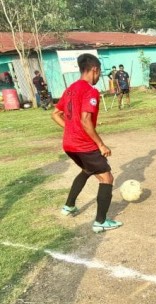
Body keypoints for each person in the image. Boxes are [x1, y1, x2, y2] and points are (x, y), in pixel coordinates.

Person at [51, 53, 122, 233]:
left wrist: (71, 129)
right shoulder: (90, 91)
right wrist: (101, 144)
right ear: (94, 70)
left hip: (68, 144)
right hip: (83, 144)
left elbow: (55, 114)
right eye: (99, 73)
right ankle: (101, 221)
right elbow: (85, 120)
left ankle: (69, 206)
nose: (98, 77)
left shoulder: (70, 89)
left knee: (87, 170)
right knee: (107, 178)